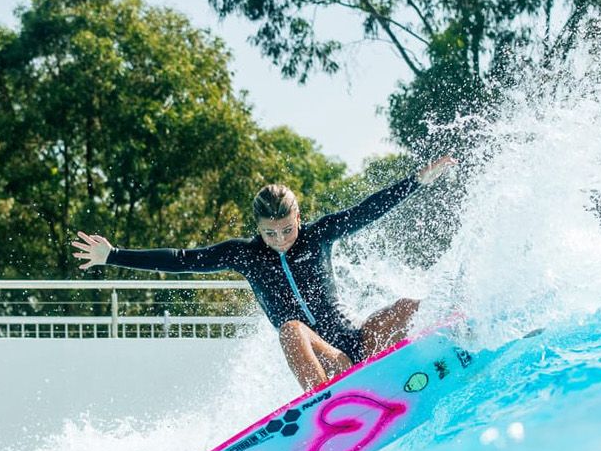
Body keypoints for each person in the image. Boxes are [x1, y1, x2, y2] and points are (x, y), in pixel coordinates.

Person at [73, 156, 455, 389]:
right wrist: (113, 255)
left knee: (407, 307)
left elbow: (365, 211)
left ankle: (461, 335)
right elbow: (183, 259)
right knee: (290, 330)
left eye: (287, 229)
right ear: (257, 228)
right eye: (269, 233)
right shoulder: (245, 255)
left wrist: (417, 181)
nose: (280, 239)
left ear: (298, 218)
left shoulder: (318, 235)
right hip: (328, 362)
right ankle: (325, 402)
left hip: (356, 345)